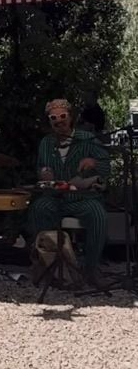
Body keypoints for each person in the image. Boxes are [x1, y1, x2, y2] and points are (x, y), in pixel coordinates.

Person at [27, 99, 111, 287]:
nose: (59, 121)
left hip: (81, 197)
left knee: (98, 214)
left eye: (63, 116)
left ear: (70, 118)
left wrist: (94, 163)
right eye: (54, 118)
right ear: (50, 121)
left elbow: (106, 166)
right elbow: (41, 167)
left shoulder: (86, 139)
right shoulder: (46, 143)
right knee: (38, 208)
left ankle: (91, 269)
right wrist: (43, 173)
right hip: (55, 197)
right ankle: (51, 268)